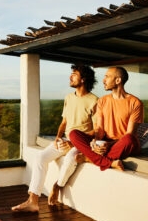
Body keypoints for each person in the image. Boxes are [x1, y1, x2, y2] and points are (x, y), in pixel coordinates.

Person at [11, 64, 98, 212]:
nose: (70, 77)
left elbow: (97, 130)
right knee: (40, 157)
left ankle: (57, 186)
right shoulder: (69, 97)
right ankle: (33, 201)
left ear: (83, 79)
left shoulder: (94, 101)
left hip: (81, 142)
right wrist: (58, 138)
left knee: (70, 159)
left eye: (74, 74)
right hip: (65, 140)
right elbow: (64, 122)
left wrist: (73, 142)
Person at [69, 66, 143, 171]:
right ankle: (106, 162)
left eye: (107, 77)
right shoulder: (102, 101)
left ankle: (90, 159)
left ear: (118, 80)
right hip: (105, 142)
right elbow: (99, 129)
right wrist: (95, 142)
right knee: (74, 134)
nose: (103, 80)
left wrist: (110, 144)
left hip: (121, 144)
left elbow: (129, 133)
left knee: (129, 139)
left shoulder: (135, 103)